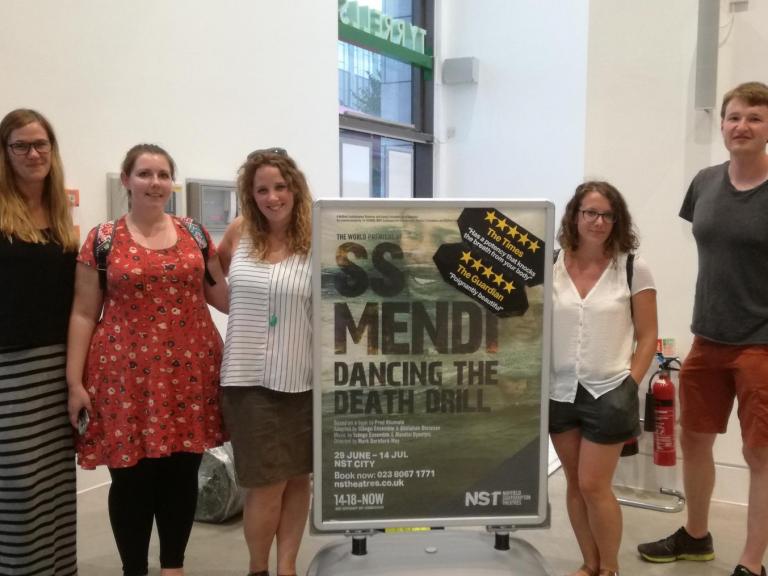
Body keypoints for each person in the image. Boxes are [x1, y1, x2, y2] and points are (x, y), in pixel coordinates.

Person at [66, 143, 228, 576]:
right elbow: (84, 313)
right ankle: (133, 569)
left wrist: (281, 292)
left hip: (190, 375)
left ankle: (173, 565)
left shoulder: (194, 232)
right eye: (144, 174)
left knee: (181, 474)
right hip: (123, 378)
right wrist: (74, 383)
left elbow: (220, 295)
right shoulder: (102, 240)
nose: (154, 183)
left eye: (162, 175)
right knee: (130, 479)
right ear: (126, 180)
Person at [638, 82, 768, 576]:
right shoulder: (705, 182)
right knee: (693, 440)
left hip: (763, 344)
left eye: (754, 118)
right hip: (708, 337)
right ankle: (695, 536)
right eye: (734, 117)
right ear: (722, 125)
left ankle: (752, 563)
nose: (742, 126)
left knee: (760, 454)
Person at [550, 181, 658, 576]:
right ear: (575, 216)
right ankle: (589, 563)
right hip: (558, 391)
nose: (598, 221)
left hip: (608, 392)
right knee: (575, 487)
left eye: (607, 215)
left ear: (617, 221)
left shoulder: (631, 267)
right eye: (590, 213)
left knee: (595, 486)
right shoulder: (551, 264)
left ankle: (610, 568)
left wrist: (631, 380)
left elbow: (648, 336)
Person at [218, 148, 312, 576]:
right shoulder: (239, 234)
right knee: (266, 485)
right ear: (250, 195)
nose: (272, 197)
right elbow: (218, 281)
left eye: (280, 186)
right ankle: (258, 569)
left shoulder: (318, 239)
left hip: (304, 378)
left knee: (298, 480)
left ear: (295, 188)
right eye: (262, 189)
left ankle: (287, 567)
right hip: (248, 380)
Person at [0, 109, 79, 575]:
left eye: (41, 144)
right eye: (21, 146)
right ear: (5, 153)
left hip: (56, 367)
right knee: (19, 486)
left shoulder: (59, 215)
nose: (33, 154)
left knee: (54, 484)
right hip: (9, 368)